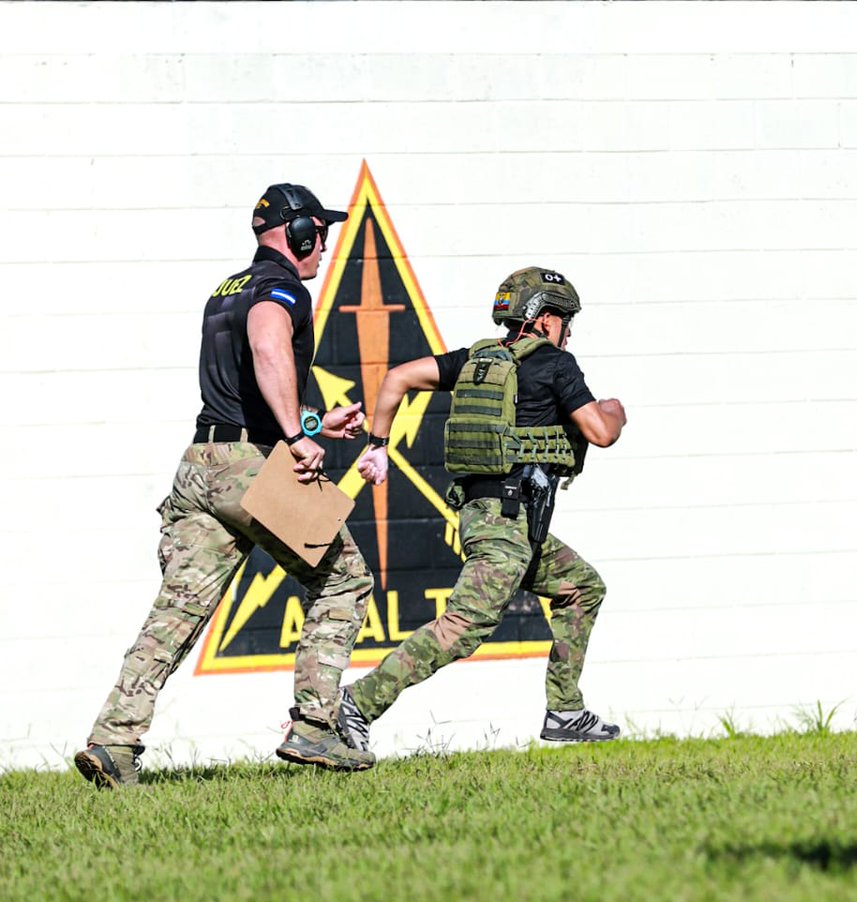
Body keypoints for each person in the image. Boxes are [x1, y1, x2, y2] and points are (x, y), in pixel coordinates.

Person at [75, 183, 376, 788]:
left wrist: (314, 423)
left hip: (201, 462)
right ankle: (315, 728)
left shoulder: (228, 288)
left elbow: (239, 391)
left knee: (178, 610)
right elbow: (267, 346)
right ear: (298, 234)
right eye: (320, 234)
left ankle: (113, 742)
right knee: (346, 579)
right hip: (251, 466)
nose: (324, 247)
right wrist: (295, 436)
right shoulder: (282, 288)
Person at [342, 267, 627, 749]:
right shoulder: (557, 364)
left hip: (493, 518)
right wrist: (615, 410)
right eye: (565, 319)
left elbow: (397, 378)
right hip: (507, 526)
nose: (568, 330)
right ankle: (356, 704)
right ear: (544, 319)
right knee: (463, 627)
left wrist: (378, 445)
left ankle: (565, 709)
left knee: (581, 587)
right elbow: (600, 432)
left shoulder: (476, 360)